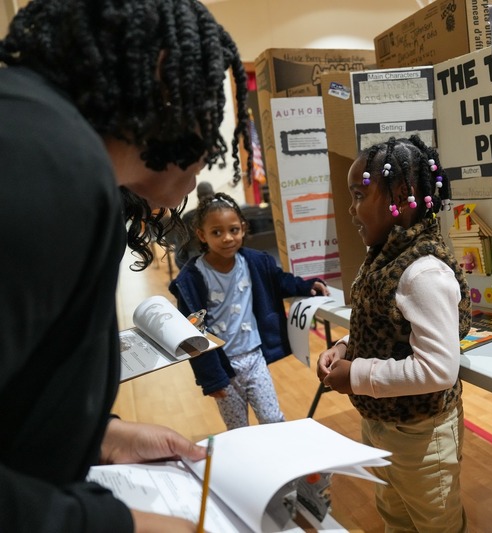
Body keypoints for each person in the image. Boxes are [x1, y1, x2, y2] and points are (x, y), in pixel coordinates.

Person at [0, 1, 254, 530]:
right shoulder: (48, 167)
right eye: (206, 103)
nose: (211, 143)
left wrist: (100, 437)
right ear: (161, 76)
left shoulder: (40, 139)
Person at [316, 135, 472, 532]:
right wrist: (345, 347)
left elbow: (438, 370)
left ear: (401, 197)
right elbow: (379, 325)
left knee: (435, 524)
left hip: (421, 435)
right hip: (380, 421)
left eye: (358, 195)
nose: (351, 208)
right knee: (394, 514)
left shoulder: (424, 272)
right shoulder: (384, 255)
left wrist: (355, 375)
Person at [170, 192, 329, 430]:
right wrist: (211, 379)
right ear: (202, 235)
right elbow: (191, 336)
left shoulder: (255, 262)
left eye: (233, 230)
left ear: (243, 228)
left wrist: (306, 286)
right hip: (223, 367)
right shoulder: (191, 280)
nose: (227, 238)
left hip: (255, 359)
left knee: (273, 420)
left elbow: (280, 281)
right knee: (238, 429)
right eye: (217, 232)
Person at [173, 181, 215, 268]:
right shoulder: (223, 214)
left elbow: (180, 248)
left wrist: (185, 268)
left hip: (194, 261)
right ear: (213, 194)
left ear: (198, 196)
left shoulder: (187, 217)